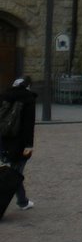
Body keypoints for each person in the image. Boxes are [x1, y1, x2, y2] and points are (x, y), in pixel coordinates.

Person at [0, 76, 37, 212]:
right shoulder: (28, 99)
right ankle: (22, 201)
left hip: (3, 140)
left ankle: (23, 200)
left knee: (10, 172)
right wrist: (29, 145)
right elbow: (28, 125)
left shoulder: (4, 95)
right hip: (19, 142)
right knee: (15, 173)